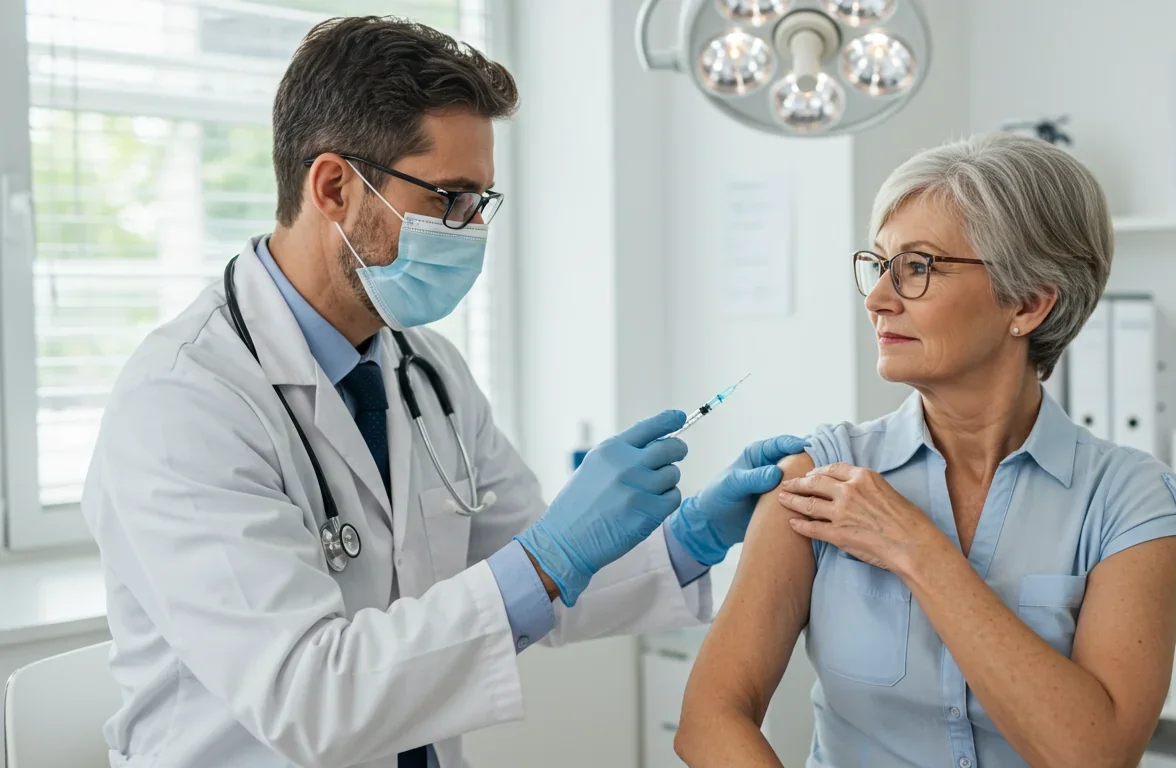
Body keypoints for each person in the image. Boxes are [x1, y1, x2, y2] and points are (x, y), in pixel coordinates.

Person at [81, 17, 804, 768]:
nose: (469, 230)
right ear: (333, 186)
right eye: (449, 197)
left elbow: (536, 578)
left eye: (481, 202)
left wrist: (688, 539)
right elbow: (310, 697)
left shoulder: (427, 373)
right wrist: (550, 556)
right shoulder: (182, 403)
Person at [673, 133, 1176, 768]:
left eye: (918, 267)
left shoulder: (1132, 503)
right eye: (879, 265)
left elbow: (1093, 755)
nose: (877, 299)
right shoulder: (821, 476)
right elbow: (709, 719)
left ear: (1029, 303)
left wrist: (917, 549)